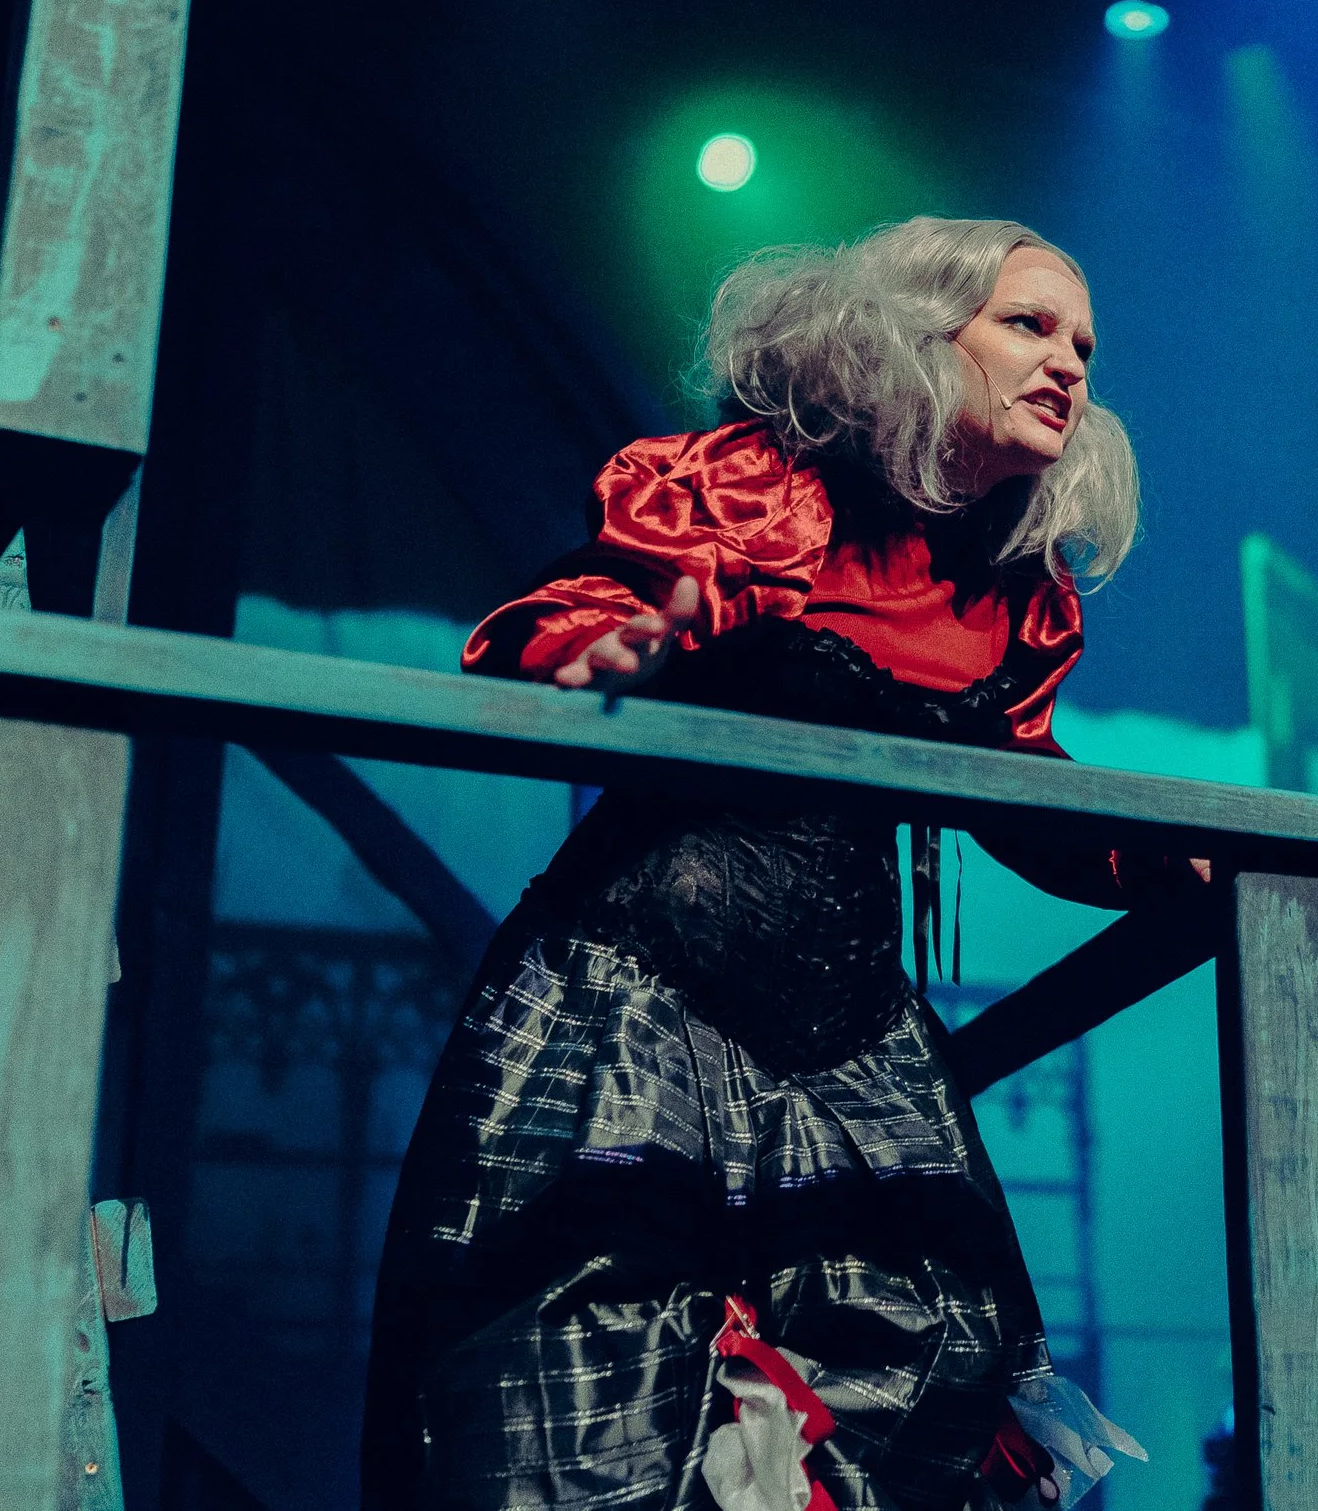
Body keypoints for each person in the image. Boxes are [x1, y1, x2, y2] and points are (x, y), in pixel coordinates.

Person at [362, 218, 1178, 1511]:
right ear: (917, 332)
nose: (1069, 364)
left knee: (930, 1365)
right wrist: (613, 652)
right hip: (639, 982)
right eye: (1029, 324)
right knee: (581, 1365)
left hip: (851, 1020)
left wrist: (1184, 867)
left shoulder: (1009, 586)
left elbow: (1030, 790)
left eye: (1084, 343)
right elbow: (571, 613)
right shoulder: (753, 487)